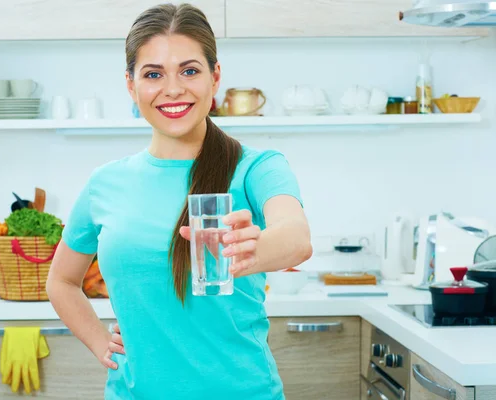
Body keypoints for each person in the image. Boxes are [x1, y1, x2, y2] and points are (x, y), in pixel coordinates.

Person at [46, 3, 312, 399]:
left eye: (189, 71)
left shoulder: (257, 167)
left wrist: (251, 247)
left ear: (215, 77)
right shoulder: (106, 183)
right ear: (131, 85)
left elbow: (296, 236)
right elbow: (62, 281)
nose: (173, 89)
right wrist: (101, 341)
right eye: (153, 74)